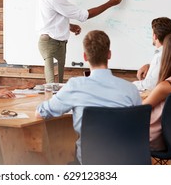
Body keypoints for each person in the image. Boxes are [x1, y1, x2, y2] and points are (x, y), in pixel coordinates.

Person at [35, 30, 141, 164]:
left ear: (85, 57)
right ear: (109, 55)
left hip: (90, 162)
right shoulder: (131, 90)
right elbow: (138, 127)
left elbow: (41, 113)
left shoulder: (75, 86)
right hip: (127, 161)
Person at [37, 0, 124, 84]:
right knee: (53, 87)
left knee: (57, 84)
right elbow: (84, 15)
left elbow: (51, 15)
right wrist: (110, 3)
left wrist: (68, 26)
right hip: (51, 43)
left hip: (56, 41)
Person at [133, 17, 171, 91]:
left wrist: (130, 85)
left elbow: (150, 85)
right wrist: (149, 66)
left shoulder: (160, 57)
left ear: (155, 36)